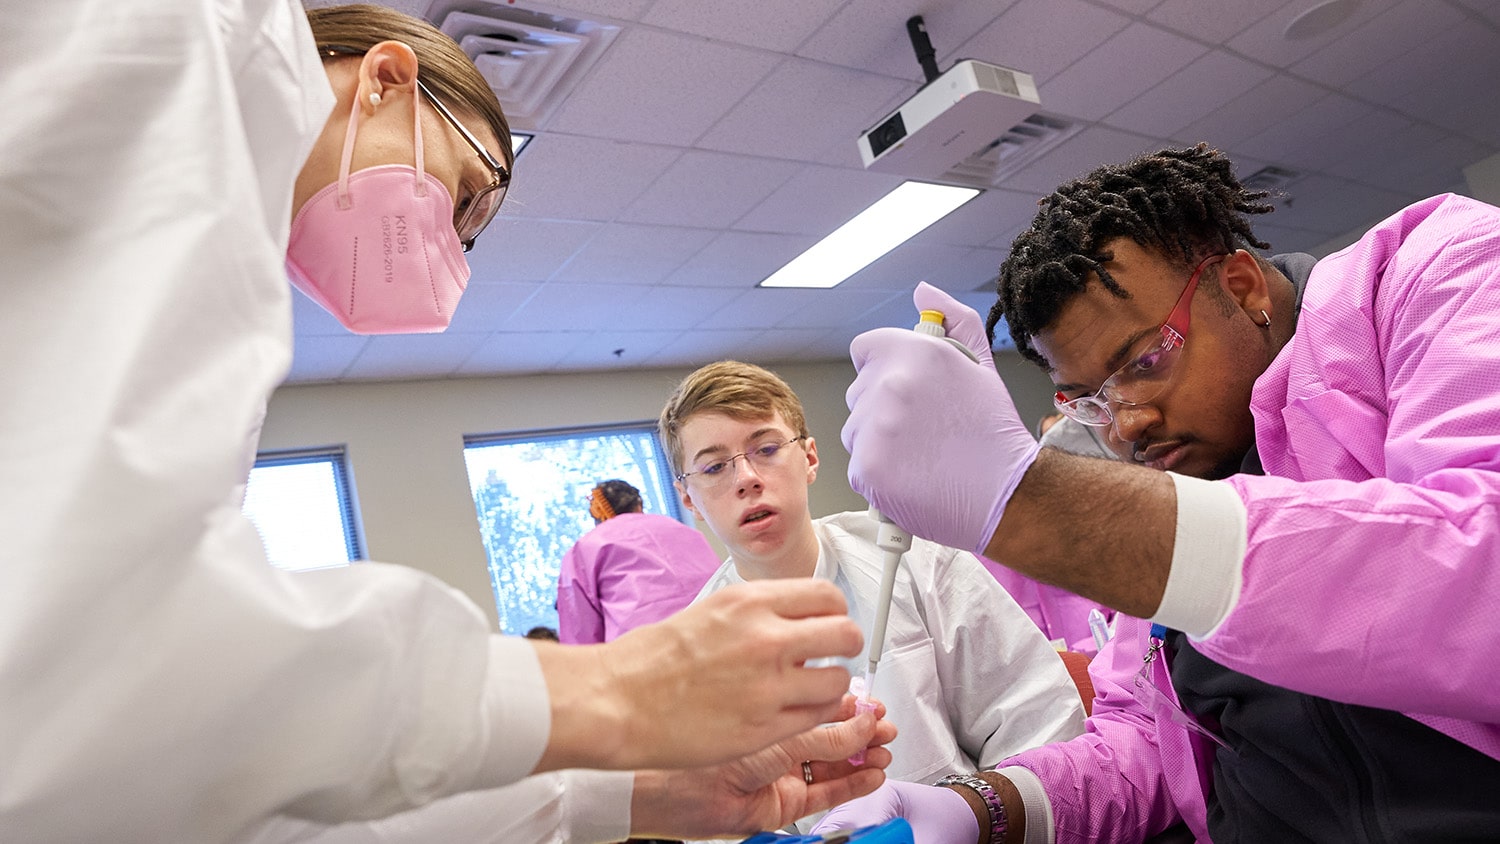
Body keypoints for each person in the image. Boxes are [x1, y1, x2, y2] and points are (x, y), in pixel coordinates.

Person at [0, 2, 888, 841]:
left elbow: (209, 779)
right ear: (387, 78)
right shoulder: (202, 56)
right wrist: (608, 693)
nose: (450, 249)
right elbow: (104, 652)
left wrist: (639, 793)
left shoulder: (207, 242)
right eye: (466, 195)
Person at [823, 145, 1500, 841]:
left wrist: (1032, 504)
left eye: (1144, 363)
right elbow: (1146, 740)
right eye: (1089, 399)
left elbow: (1479, 570)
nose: (1126, 424)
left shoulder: (1435, 269)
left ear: (1241, 287)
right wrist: (985, 806)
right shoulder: (1176, 482)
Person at [659, 361, 1087, 830]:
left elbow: (1037, 718)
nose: (746, 478)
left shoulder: (914, 561)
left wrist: (987, 820)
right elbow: (718, 825)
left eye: (765, 448)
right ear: (688, 500)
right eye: (714, 466)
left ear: (810, 458)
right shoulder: (693, 657)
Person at [982, 415, 1119, 656]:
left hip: (1109, 667)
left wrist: (1083, 655)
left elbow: (1126, 619)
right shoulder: (982, 554)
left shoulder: (1082, 522)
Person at [556, 480, 722, 644]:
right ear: (639, 504)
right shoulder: (681, 529)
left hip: (645, 652)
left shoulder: (587, 548)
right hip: (716, 633)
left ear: (596, 513)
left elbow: (579, 632)